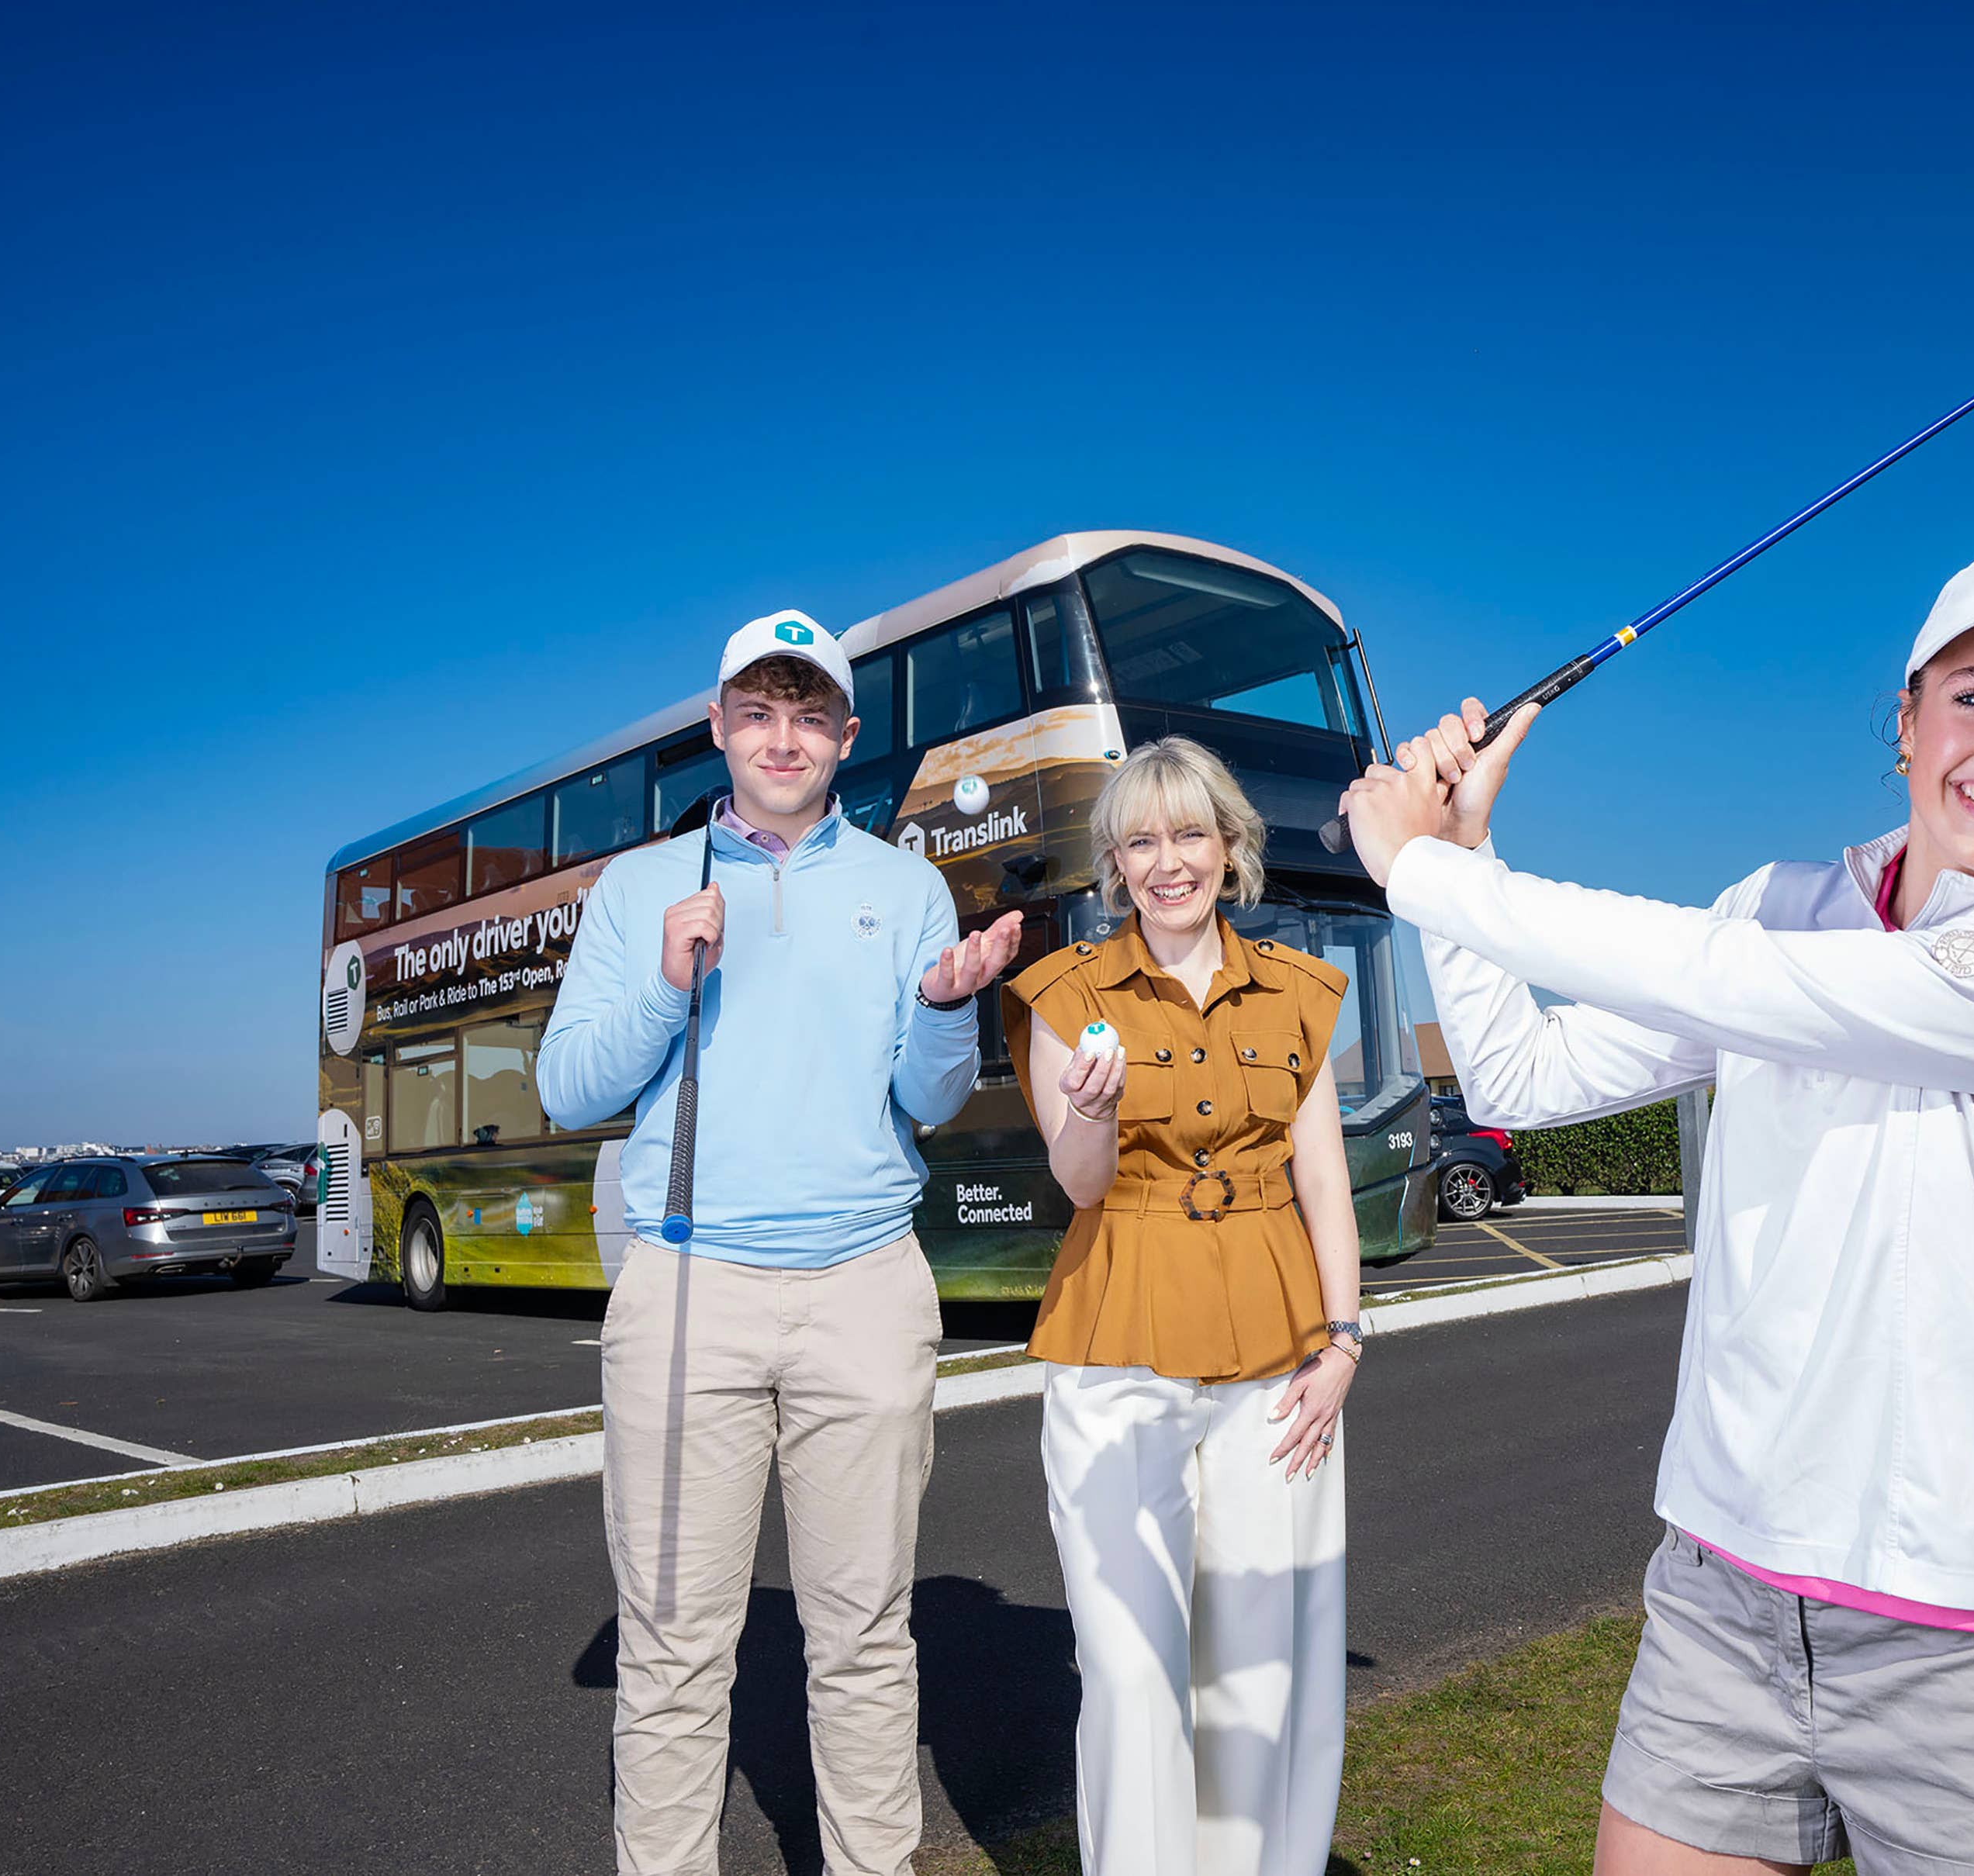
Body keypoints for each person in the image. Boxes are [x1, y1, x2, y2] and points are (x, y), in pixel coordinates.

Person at [1341, 544, 1974, 1875]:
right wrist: (1464, 851)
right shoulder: (1779, 904)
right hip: (1721, 1592)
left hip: (1973, 1631)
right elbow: (1520, 1075)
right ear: (1904, 719)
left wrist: (1427, 876)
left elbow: (1752, 985)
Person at [537, 610, 1022, 1876]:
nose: (783, 736)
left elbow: (927, 1100)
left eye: (810, 714)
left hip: (864, 1286)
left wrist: (944, 1010)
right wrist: (661, 983)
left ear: (846, 738)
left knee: (863, 1637)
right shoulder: (642, 885)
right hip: (688, 1287)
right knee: (674, 1644)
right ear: (718, 726)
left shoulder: (906, 887)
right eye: (758, 710)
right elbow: (570, 1085)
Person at [1001, 735, 1364, 1876]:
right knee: (1128, 1667)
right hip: (1116, 1351)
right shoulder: (1066, 996)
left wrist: (1344, 1339)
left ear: (1230, 846)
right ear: (1114, 863)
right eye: (1143, 840)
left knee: (1265, 1668)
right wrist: (1094, 1113)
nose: (1170, 862)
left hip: (1279, 1360)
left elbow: (1321, 1180)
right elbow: (1080, 1184)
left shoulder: (1304, 994)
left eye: (1190, 833)